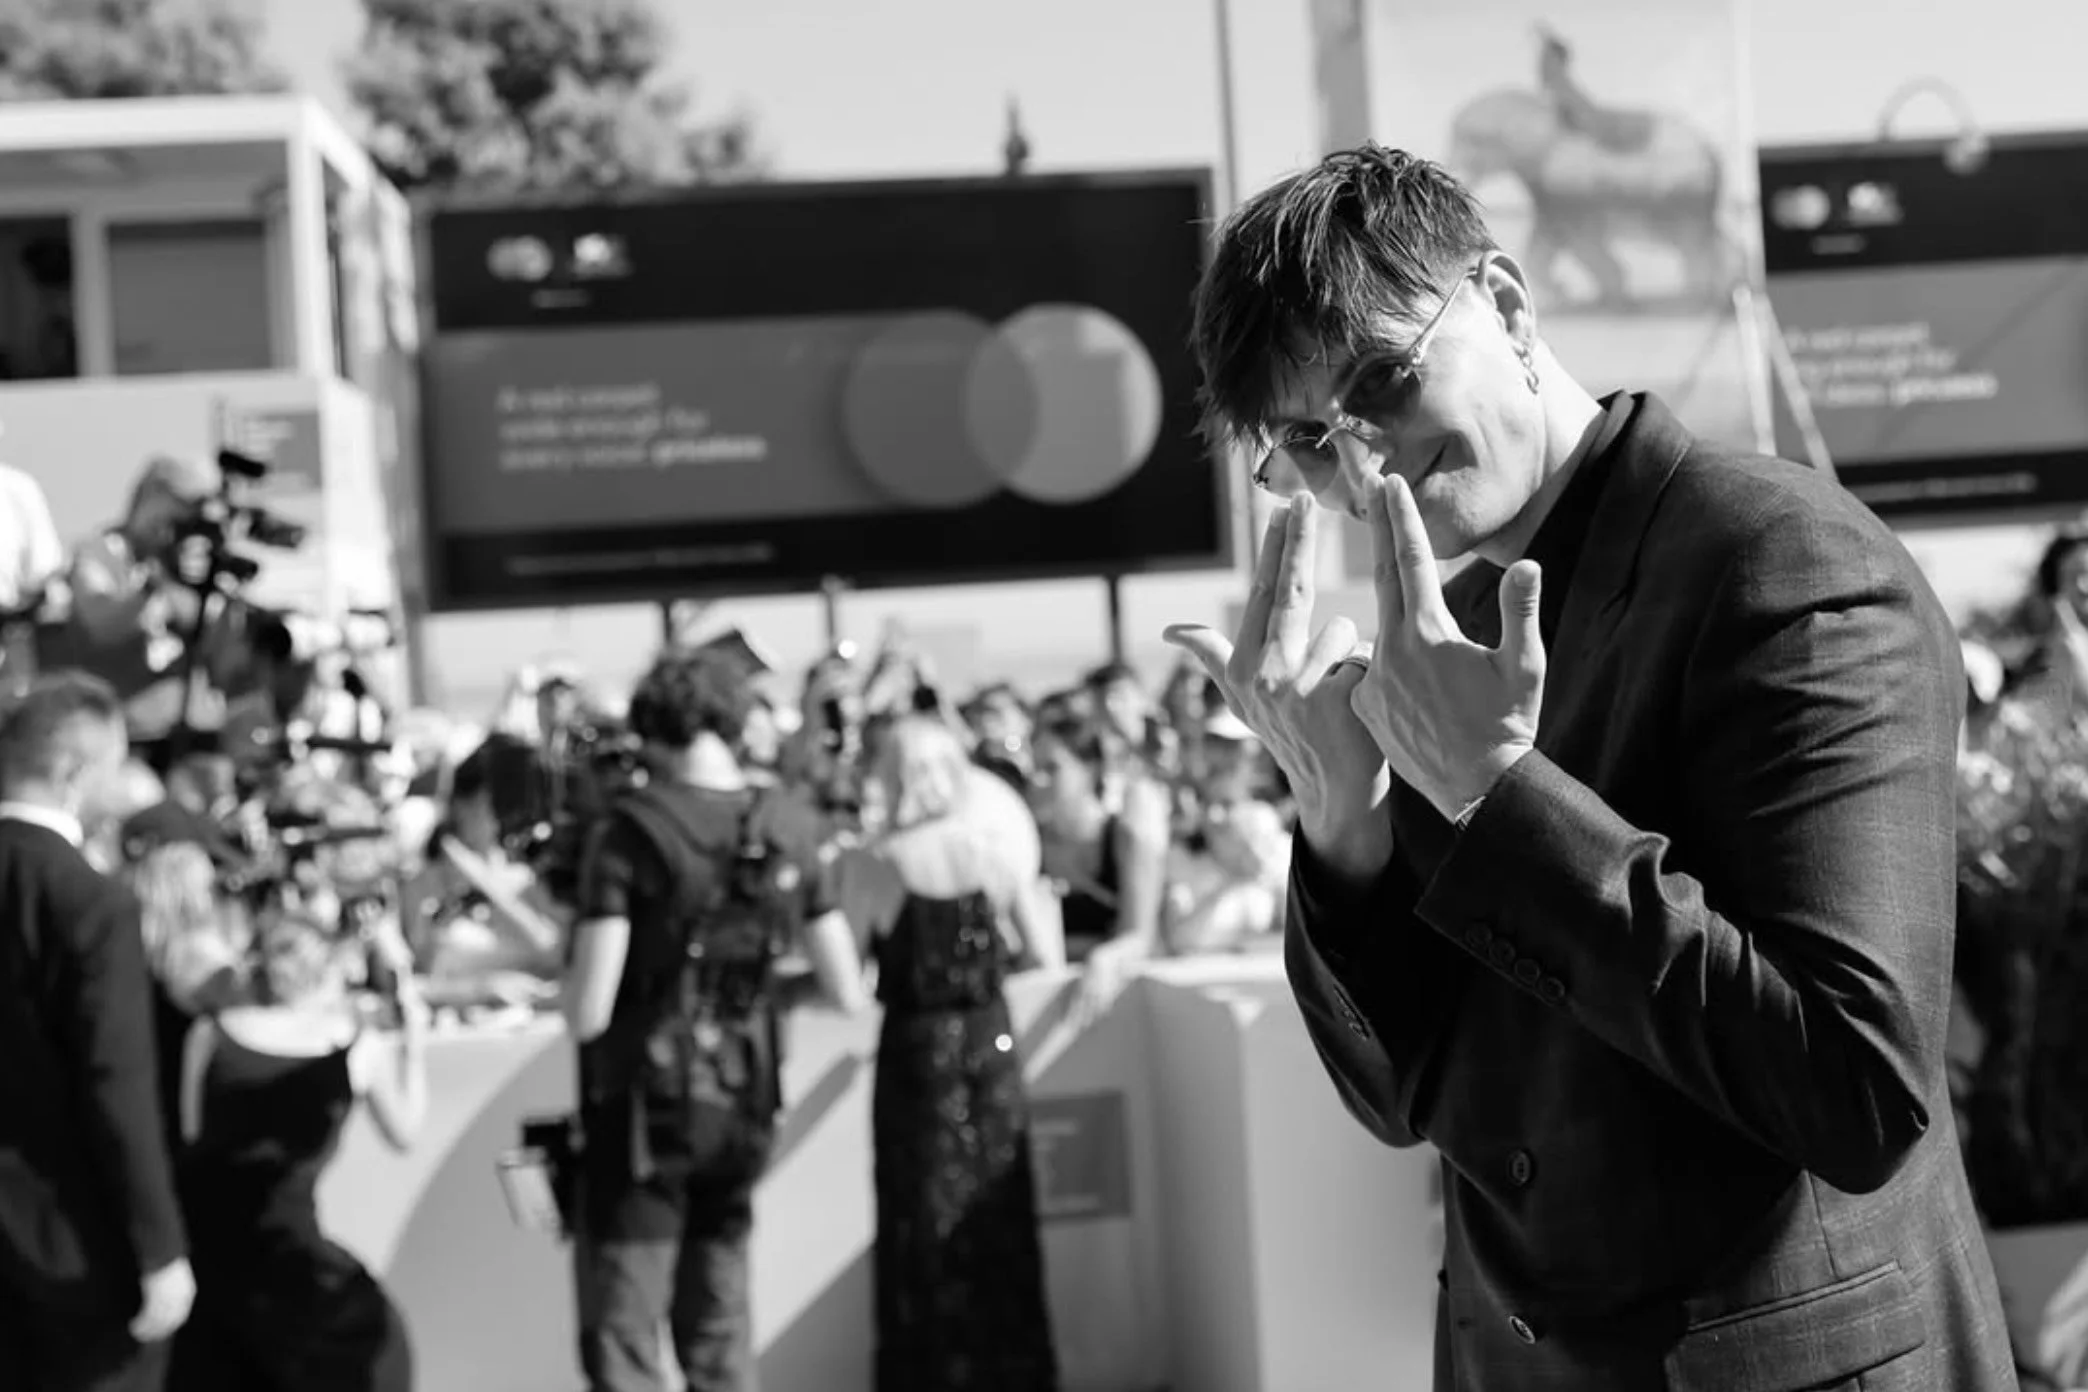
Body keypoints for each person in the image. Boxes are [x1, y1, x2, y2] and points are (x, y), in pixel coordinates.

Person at [1164, 145, 2014, 1389]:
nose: (1364, 464)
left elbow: (1858, 1086)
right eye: (1306, 438)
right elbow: (1402, 1103)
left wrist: (1503, 801)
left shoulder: (1780, 560)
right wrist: (1342, 818)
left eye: (1385, 383)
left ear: (1506, 308)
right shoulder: (1436, 641)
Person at [563, 646, 855, 1392]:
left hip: (643, 1114)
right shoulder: (791, 822)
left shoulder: (629, 834)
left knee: (626, 1330)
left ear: (653, 726)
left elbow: (589, 1012)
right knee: (719, 1324)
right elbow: (844, 987)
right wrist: (765, 992)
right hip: (745, 1097)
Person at [820, 715, 1062, 1392]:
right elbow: (1042, 953)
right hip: (992, 1046)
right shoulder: (995, 852)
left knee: (919, 1220)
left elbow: (850, 977)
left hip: (917, 1057)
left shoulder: (874, 863)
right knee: (999, 1214)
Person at [0, 671, 194, 1391]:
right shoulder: (91, 904)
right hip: (78, 1241)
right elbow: (118, 1086)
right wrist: (159, 1247)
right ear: (76, 774)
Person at [166, 900, 423, 1392]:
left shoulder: (208, 1034)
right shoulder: (352, 1045)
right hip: (289, 1260)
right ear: (326, 972)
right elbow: (405, 1132)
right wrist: (414, 1041)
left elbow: (193, 1139)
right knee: (377, 1357)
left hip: (207, 1259)